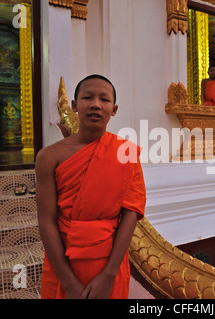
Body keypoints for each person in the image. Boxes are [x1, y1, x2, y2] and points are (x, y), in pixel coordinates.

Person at [35, 74, 146, 299]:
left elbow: (131, 214)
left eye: (104, 99)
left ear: (114, 109)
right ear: (74, 106)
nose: (95, 104)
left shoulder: (125, 153)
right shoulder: (49, 156)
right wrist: (69, 283)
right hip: (63, 262)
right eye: (87, 97)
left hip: (108, 261)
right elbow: (46, 220)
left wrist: (108, 275)